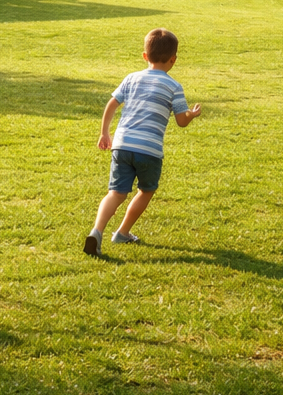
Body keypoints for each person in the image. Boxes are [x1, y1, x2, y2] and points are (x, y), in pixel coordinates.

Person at [85, 28, 203, 256]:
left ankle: (97, 231)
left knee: (115, 193)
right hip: (149, 150)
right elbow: (181, 121)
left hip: (121, 144)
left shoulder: (131, 78)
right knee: (146, 190)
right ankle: (122, 233)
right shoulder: (174, 86)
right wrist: (191, 114)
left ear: (145, 56)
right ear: (173, 60)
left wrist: (104, 133)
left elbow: (112, 104)